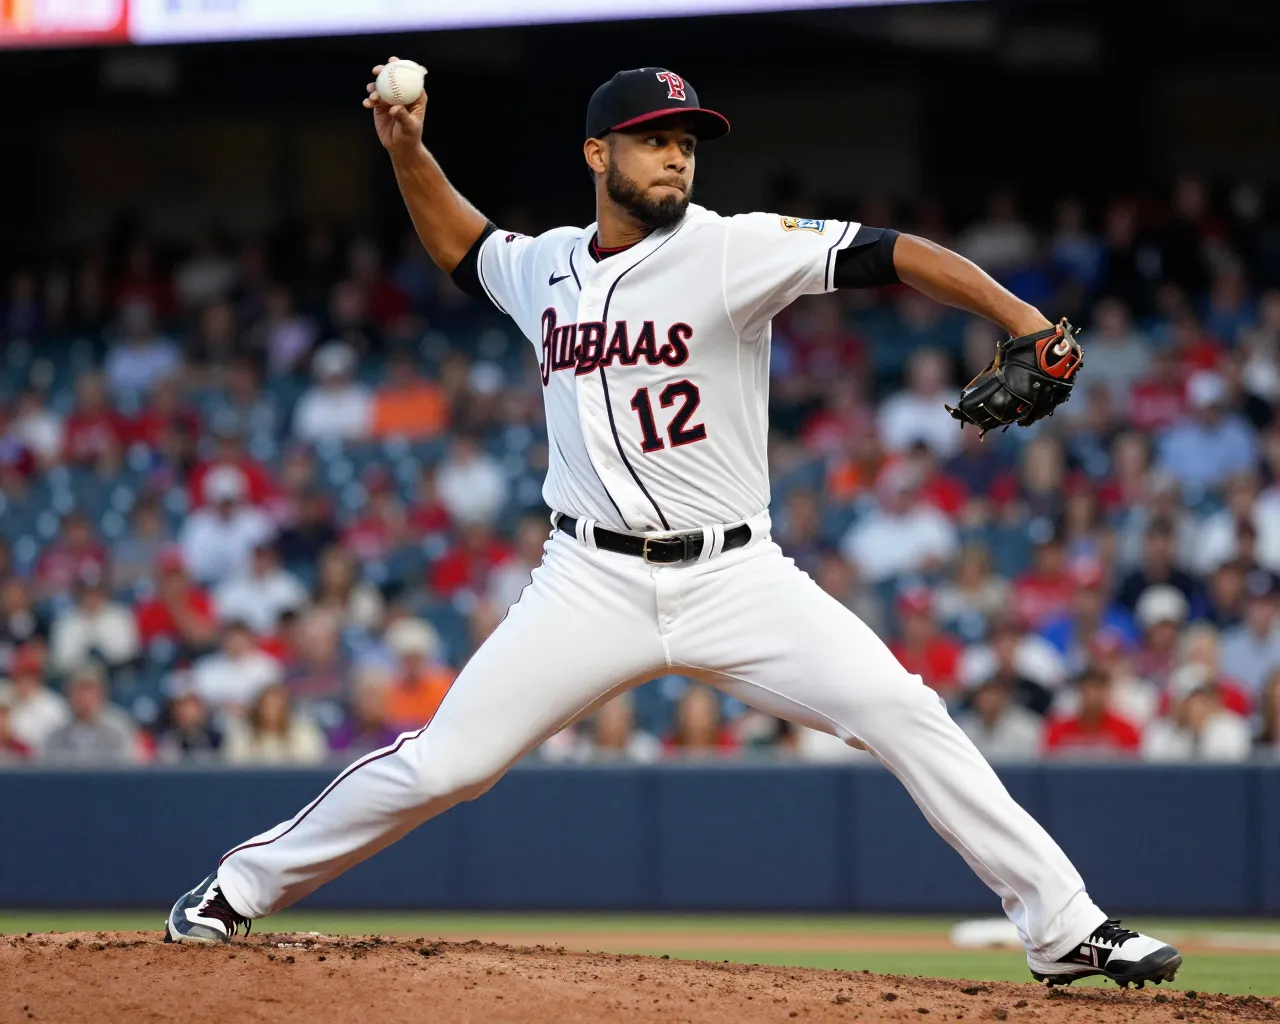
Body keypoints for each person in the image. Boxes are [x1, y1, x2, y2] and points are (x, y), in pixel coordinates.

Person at [166, 61, 1181, 991]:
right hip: (586, 580)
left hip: (739, 576)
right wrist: (404, 151)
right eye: (654, 138)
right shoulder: (549, 266)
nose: (675, 155)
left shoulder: (734, 249)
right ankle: (238, 888)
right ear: (596, 155)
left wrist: (1021, 322)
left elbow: (891, 254)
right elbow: (462, 246)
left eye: (686, 141)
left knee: (901, 711)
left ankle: (1062, 924)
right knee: (447, 765)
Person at [1141, 664, 1252, 763]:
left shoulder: (1233, 728)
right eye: (1189, 700)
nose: (1195, 707)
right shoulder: (1160, 732)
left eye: (1203, 699)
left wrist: (1200, 731)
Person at [43, 663, 141, 765]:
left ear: (102, 694)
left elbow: (129, 770)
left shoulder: (119, 729)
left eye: (90, 690)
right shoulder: (55, 736)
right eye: (79, 690)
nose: (84, 697)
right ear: (69, 694)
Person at [223, 684, 328, 766]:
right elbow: (234, 765)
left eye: (277, 707)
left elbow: (311, 763)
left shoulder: (304, 732)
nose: (272, 711)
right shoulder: (243, 734)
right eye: (267, 706)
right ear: (258, 708)